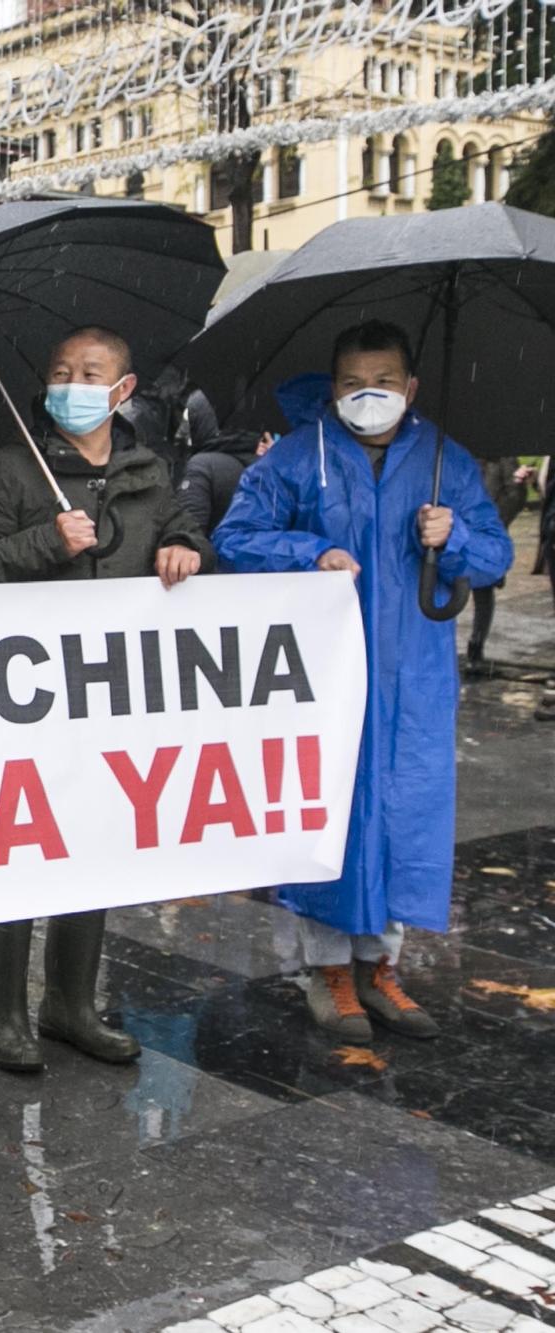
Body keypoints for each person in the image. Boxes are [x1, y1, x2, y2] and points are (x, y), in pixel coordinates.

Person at [215, 319, 512, 1042]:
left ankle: (381, 965)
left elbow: (496, 556)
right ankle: (329, 972)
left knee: (403, 815)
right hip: (324, 674)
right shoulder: (298, 457)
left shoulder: (447, 461)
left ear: (409, 387)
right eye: (353, 383)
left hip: (415, 675)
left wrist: (458, 536)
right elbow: (234, 537)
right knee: (330, 815)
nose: (367, 395)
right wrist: (310, 550)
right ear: (335, 387)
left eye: (383, 382)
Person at [0, 325, 213, 1073]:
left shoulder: (146, 471)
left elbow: (182, 521)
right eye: (61, 370)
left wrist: (188, 543)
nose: (72, 383)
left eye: (90, 372)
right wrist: (45, 544)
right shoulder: (9, 470)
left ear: (123, 390)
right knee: (19, 849)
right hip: (21, 699)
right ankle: (7, 1013)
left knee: (91, 843)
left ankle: (71, 1003)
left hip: (110, 700)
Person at [176, 387, 273, 535]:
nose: (182, 433)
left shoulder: (202, 465)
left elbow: (187, 533)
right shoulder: (271, 466)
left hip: (214, 553)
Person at [465, 457, 527, 669]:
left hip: (484, 537)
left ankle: (476, 647)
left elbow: (516, 495)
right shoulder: (454, 453)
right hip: (454, 532)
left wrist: (492, 524)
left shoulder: (502, 457)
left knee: (483, 593)